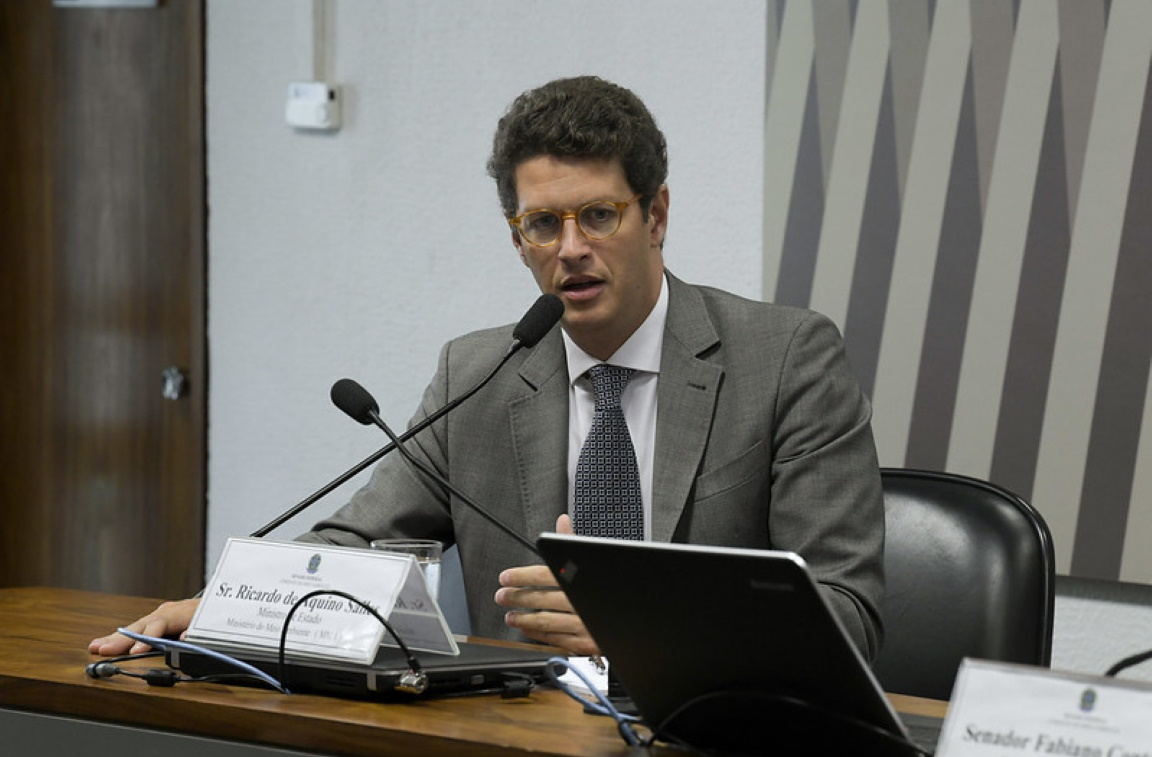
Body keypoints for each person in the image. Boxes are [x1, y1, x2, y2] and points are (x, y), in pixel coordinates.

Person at [90, 75, 884, 662]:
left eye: (598, 215)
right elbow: (356, 541)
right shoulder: (478, 375)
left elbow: (848, 614)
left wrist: (643, 628)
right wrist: (219, 608)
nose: (571, 248)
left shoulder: (785, 359)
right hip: (523, 736)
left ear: (657, 216)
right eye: (542, 224)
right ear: (517, 239)